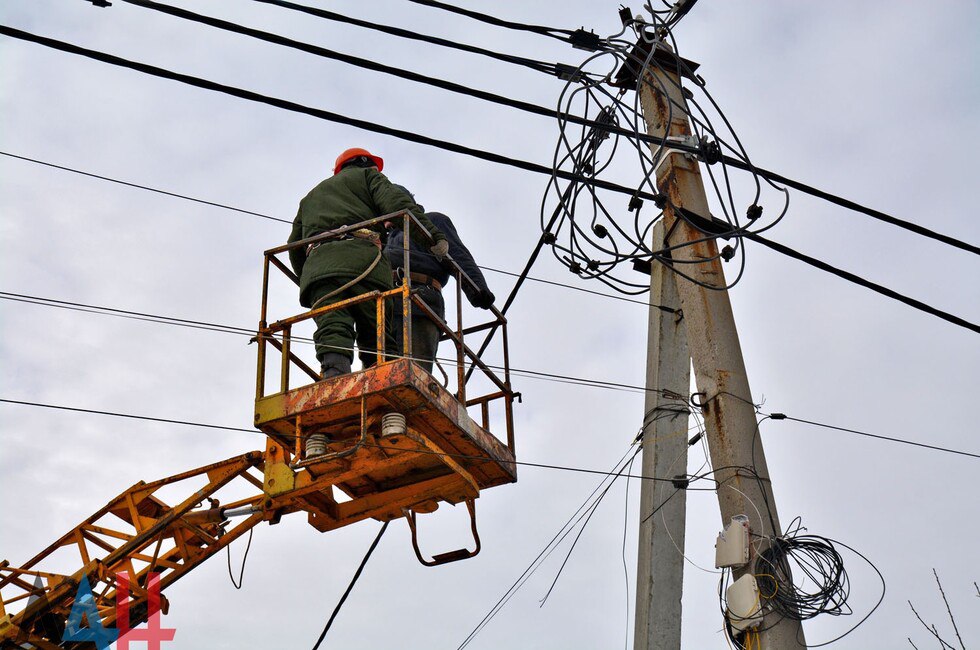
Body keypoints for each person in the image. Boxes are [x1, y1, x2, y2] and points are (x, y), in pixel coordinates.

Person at [287, 148, 448, 379]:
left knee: (332, 324)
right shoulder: (368, 178)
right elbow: (399, 207)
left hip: (319, 269)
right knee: (377, 330)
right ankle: (382, 378)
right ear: (364, 163)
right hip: (364, 264)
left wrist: (310, 278)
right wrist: (432, 237)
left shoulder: (311, 196)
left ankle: (334, 374)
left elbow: (294, 246)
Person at [384, 187, 496, 374]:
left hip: (420, 301)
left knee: (414, 373)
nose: (385, 221)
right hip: (386, 307)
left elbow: (458, 256)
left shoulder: (431, 222)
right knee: (381, 373)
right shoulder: (385, 238)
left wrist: (478, 289)